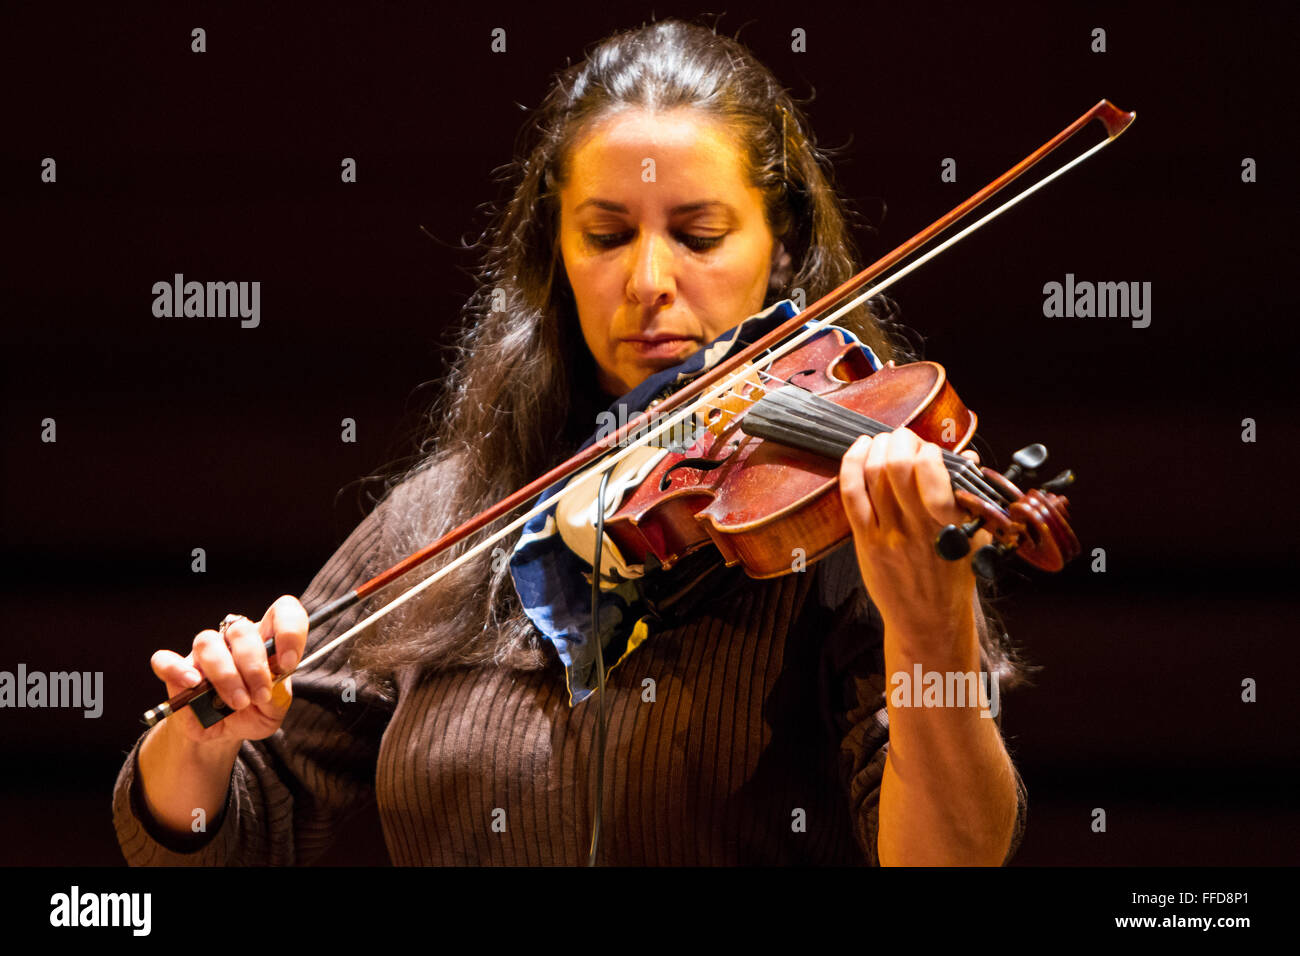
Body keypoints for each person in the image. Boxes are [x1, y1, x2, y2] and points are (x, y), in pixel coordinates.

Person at [113, 18, 1028, 866]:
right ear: (556, 251)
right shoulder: (452, 512)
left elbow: (951, 858)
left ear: (781, 245)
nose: (649, 280)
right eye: (606, 235)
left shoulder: (838, 520)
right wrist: (201, 744)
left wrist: (930, 624)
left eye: (700, 235)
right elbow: (221, 831)